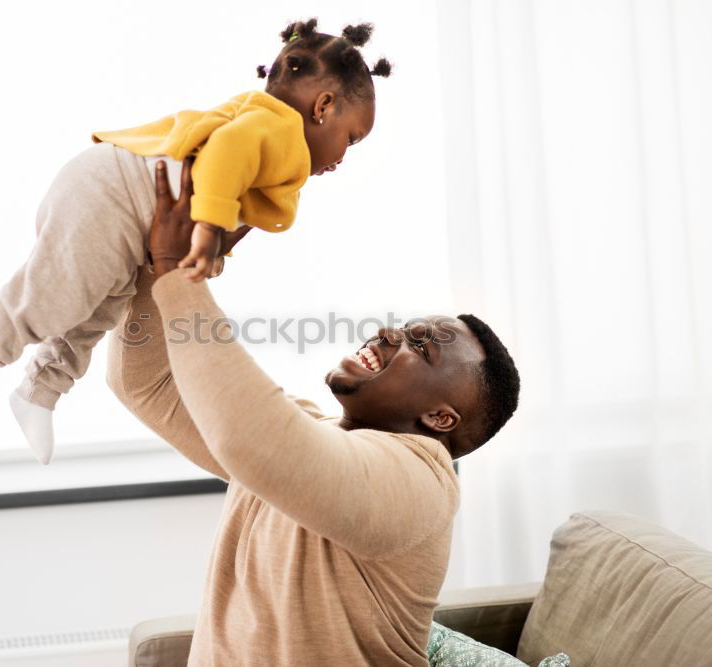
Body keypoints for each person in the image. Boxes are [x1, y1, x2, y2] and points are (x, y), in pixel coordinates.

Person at [107, 158, 522, 666]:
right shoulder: (310, 433)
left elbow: (253, 438)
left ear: (441, 419)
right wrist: (155, 268)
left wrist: (181, 272)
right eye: (405, 325)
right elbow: (147, 384)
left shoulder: (422, 484)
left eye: (421, 345)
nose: (390, 333)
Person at [0, 18, 391, 464]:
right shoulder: (278, 129)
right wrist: (209, 233)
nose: (343, 158)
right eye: (350, 139)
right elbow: (225, 157)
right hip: (113, 195)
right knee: (51, 298)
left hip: (125, 211)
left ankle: (39, 393)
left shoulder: (269, 131)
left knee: (98, 311)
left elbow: (230, 182)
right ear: (323, 106)